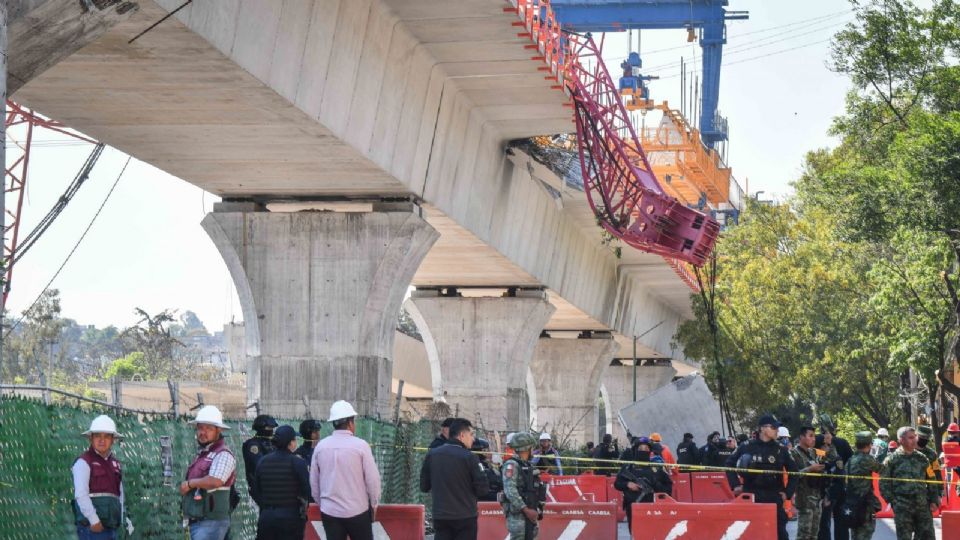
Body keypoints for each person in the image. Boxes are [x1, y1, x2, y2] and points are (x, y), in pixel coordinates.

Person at [310, 400, 381, 540]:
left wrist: (323, 503)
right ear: (350, 423)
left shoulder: (321, 447)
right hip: (358, 511)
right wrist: (374, 504)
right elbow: (373, 480)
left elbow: (314, 483)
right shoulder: (361, 446)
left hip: (330, 512)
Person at [725, 414, 798, 540]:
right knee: (752, 534)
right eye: (774, 427)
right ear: (763, 429)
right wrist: (736, 485)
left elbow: (794, 472)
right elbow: (729, 464)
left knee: (780, 534)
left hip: (774, 498)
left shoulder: (781, 449)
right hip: (752, 497)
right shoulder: (746, 446)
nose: (777, 430)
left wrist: (787, 493)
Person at [420, 418, 489, 539]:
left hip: (441, 516)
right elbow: (482, 489)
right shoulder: (470, 458)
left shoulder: (432, 454)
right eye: (471, 434)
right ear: (462, 435)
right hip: (465, 517)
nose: (473, 439)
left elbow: (424, 486)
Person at [180, 405, 236, 540]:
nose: (202, 432)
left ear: (219, 430)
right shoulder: (203, 454)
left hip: (211, 522)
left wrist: (190, 483)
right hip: (201, 521)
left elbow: (215, 481)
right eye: (200, 427)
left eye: (209, 428)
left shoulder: (223, 454)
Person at [880, 427, 940, 540]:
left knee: (928, 537)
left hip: (922, 506)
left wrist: (934, 500)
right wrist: (893, 501)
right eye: (911, 437)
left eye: (915, 437)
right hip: (902, 507)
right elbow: (883, 482)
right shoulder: (891, 460)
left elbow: (931, 479)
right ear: (901, 440)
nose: (915, 440)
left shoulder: (922, 458)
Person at [251, 425, 310, 540]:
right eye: (294, 439)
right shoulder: (298, 462)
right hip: (291, 517)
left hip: (267, 517)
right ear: (290, 442)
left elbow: (256, 489)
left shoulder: (263, 461)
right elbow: (307, 489)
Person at [72, 415, 125, 540]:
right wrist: (94, 520)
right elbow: (81, 494)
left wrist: (120, 519)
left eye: (106, 436)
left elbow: (120, 495)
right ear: (91, 438)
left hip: (112, 528)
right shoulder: (83, 462)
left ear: (113, 440)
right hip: (92, 529)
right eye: (97, 436)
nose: (102, 440)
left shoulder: (116, 464)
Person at [614, 436, 672, 532]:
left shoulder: (656, 469)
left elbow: (668, 489)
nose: (643, 451)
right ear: (636, 450)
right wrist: (628, 484)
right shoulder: (628, 468)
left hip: (652, 509)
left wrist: (656, 485)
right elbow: (617, 484)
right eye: (640, 449)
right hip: (632, 507)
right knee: (635, 533)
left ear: (650, 451)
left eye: (646, 449)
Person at [500, 432, 546, 540]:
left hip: (531, 513)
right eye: (531, 448)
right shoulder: (511, 465)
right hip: (518, 517)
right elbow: (510, 490)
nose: (533, 451)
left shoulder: (528, 465)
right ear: (526, 448)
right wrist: (526, 510)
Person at [843, 431, 882, 540]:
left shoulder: (850, 460)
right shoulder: (867, 459)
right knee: (865, 533)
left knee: (855, 533)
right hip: (865, 504)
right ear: (869, 445)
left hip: (852, 502)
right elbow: (882, 469)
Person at [790, 426, 825, 540]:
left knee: (814, 535)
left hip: (816, 498)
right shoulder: (793, 453)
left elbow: (828, 455)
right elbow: (793, 475)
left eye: (814, 436)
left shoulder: (814, 452)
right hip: (804, 500)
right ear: (802, 437)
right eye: (810, 436)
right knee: (804, 535)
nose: (814, 439)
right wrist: (810, 469)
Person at [243, 415, 277, 492]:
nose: (271, 430)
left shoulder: (272, 442)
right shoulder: (253, 444)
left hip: (272, 484)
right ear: (260, 428)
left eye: (272, 428)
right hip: (259, 486)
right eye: (269, 428)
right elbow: (260, 464)